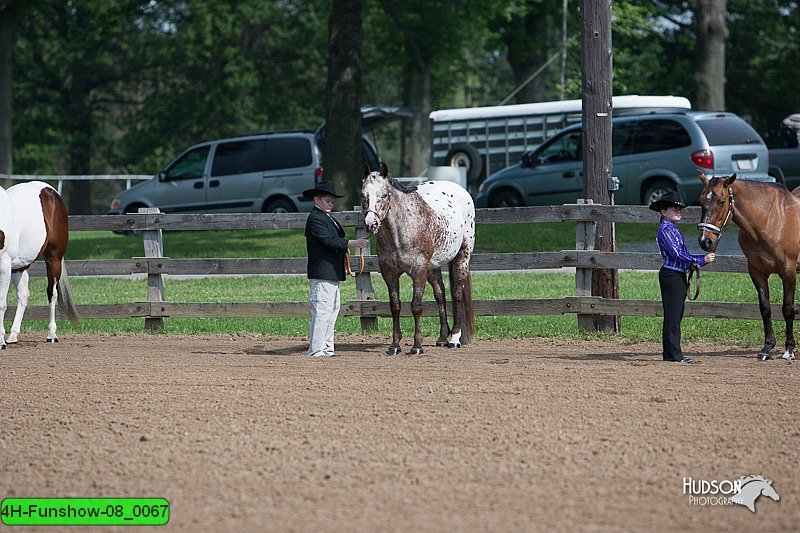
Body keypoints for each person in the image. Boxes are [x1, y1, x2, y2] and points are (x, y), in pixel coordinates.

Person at [303, 180, 369, 358]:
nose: (330, 204)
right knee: (323, 310)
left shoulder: (326, 217)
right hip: (322, 271)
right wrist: (354, 243)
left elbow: (332, 239)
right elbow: (329, 241)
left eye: (332, 201)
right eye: (327, 201)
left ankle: (326, 347)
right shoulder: (316, 218)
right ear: (317, 199)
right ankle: (317, 349)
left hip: (331, 271)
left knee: (332, 310)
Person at [650, 190, 716, 364]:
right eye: (674, 208)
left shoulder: (671, 229)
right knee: (673, 316)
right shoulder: (666, 230)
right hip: (672, 275)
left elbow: (680, 254)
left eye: (679, 209)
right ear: (664, 211)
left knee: (674, 315)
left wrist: (693, 262)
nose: (679, 211)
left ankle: (671, 354)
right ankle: (674, 355)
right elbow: (678, 254)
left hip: (675, 275)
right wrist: (701, 260)